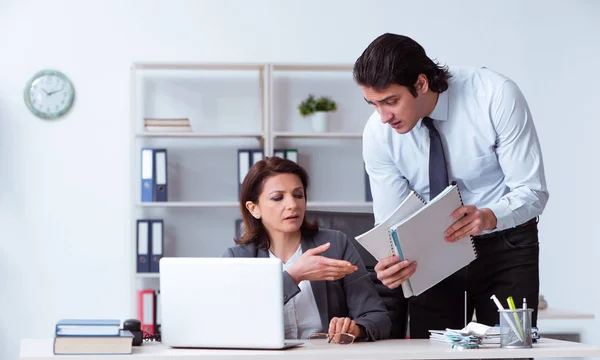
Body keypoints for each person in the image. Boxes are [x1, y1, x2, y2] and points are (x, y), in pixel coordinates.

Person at [353, 33, 549, 339]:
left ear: (420, 84)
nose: (383, 116)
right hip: (432, 250)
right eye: (374, 104)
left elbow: (532, 191)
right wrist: (388, 263)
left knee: (510, 357)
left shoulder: (494, 95)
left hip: (505, 242)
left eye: (391, 101)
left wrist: (488, 216)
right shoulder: (378, 134)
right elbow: (391, 222)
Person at [222, 157, 391, 342]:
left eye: (298, 195)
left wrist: (355, 329)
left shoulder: (335, 245)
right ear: (254, 208)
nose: (293, 205)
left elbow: (378, 317)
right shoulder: (237, 259)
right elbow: (232, 323)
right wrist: (293, 277)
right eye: (278, 198)